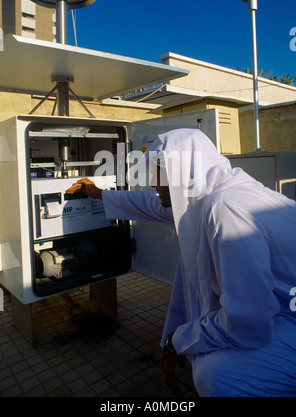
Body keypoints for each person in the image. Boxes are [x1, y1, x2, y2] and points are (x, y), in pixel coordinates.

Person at [66, 128, 296, 397]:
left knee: (217, 375)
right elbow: (153, 204)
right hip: (280, 306)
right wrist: (99, 194)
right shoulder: (222, 192)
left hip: (286, 316)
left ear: (179, 170)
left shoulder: (225, 208)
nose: (152, 182)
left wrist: (180, 340)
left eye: (156, 173)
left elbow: (248, 323)